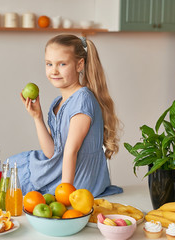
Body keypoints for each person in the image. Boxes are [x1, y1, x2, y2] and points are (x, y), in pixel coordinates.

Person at [9, 34, 122, 197]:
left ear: (79, 65)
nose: (54, 70)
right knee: (13, 168)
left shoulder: (83, 100)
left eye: (62, 64)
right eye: (49, 64)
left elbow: (71, 151)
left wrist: (64, 196)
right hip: (63, 170)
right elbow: (51, 152)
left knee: (21, 174)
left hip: (77, 181)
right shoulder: (58, 102)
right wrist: (37, 117)